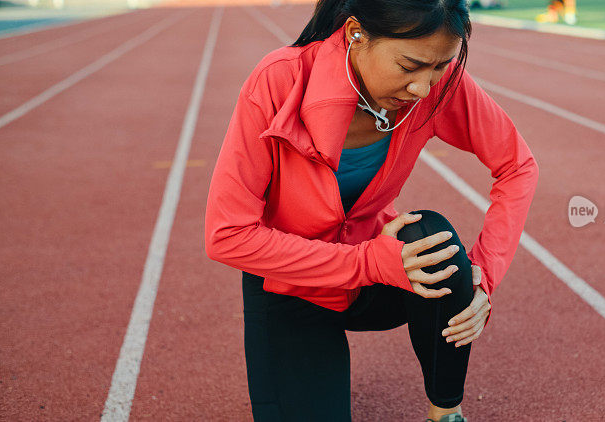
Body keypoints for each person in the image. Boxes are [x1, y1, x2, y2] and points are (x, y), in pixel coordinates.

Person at [204, 0, 540, 420]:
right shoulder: (279, 79)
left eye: (439, 66)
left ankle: (446, 412)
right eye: (409, 66)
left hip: (382, 272)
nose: (423, 86)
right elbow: (226, 235)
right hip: (290, 282)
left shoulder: (439, 85)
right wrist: (367, 262)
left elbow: (517, 166)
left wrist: (483, 276)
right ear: (354, 34)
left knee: (433, 239)